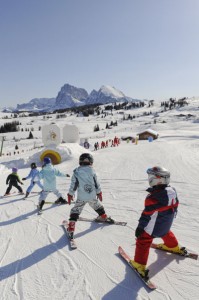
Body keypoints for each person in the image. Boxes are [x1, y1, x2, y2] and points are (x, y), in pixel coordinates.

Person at [130, 166, 187, 279]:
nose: (149, 179)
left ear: (159, 179)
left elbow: (146, 215)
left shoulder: (152, 197)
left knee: (143, 240)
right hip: (165, 224)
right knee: (166, 232)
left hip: (154, 228)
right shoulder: (172, 191)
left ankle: (139, 265)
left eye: (151, 176)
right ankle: (174, 246)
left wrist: (140, 228)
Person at [66, 153, 113, 239]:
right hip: (92, 195)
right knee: (96, 205)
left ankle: (71, 227)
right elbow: (96, 183)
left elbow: (74, 185)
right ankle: (103, 216)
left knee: (76, 209)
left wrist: (70, 194)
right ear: (91, 162)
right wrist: (99, 192)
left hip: (81, 196)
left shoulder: (76, 172)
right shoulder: (92, 171)